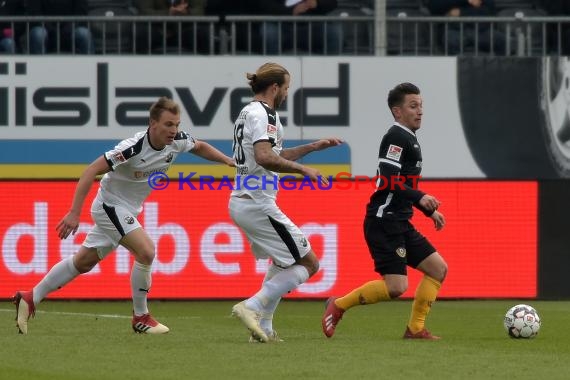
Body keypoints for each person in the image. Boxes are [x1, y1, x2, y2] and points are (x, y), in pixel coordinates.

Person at [13, 96, 234, 335]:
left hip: (127, 210)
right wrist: (74, 212)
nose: (174, 130)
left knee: (83, 262)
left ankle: (30, 297)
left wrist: (226, 160)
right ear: (153, 123)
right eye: (169, 124)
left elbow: (199, 146)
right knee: (147, 251)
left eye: (177, 124)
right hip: (110, 206)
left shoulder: (177, 141)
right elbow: (91, 170)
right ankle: (141, 317)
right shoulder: (132, 148)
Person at [321, 82, 448, 340]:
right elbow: (387, 180)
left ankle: (415, 329)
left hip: (400, 221)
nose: (420, 111)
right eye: (413, 106)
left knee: (438, 268)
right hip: (384, 222)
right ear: (397, 112)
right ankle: (339, 305)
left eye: (421, 105)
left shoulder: (410, 139)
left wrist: (426, 210)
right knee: (396, 287)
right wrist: (421, 196)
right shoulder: (396, 137)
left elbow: (402, 186)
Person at [229, 62, 342, 343]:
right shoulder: (264, 114)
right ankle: (251, 306)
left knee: (282, 262)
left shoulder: (248, 112)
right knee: (309, 263)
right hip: (257, 201)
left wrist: (312, 148)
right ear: (275, 87)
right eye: (287, 88)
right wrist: (304, 170)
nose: (287, 93)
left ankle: (264, 328)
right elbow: (265, 157)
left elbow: (274, 153)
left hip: (247, 200)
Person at [253, 0, 343, 55]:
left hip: (311, 26)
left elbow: (332, 3)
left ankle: (328, 71)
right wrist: (291, 12)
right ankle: (272, 73)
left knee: (334, 32)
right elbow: (263, 5)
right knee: (269, 32)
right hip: (280, 25)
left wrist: (317, 3)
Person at [426, 0, 505, 55]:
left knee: (503, 41)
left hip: (480, 30)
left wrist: (461, 12)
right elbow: (434, 6)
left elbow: (489, 12)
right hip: (453, 29)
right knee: (451, 40)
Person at [134, 0, 209, 54]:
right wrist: (168, 13)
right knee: (142, 32)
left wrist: (186, 12)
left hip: (183, 32)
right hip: (158, 31)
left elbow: (199, 12)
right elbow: (144, 12)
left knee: (202, 33)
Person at [25, 0, 94, 54]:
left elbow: (81, 12)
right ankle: (37, 67)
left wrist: (69, 27)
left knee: (84, 34)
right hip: (46, 29)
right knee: (38, 34)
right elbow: (34, 13)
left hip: (71, 30)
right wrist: (51, 29)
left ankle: (91, 69)